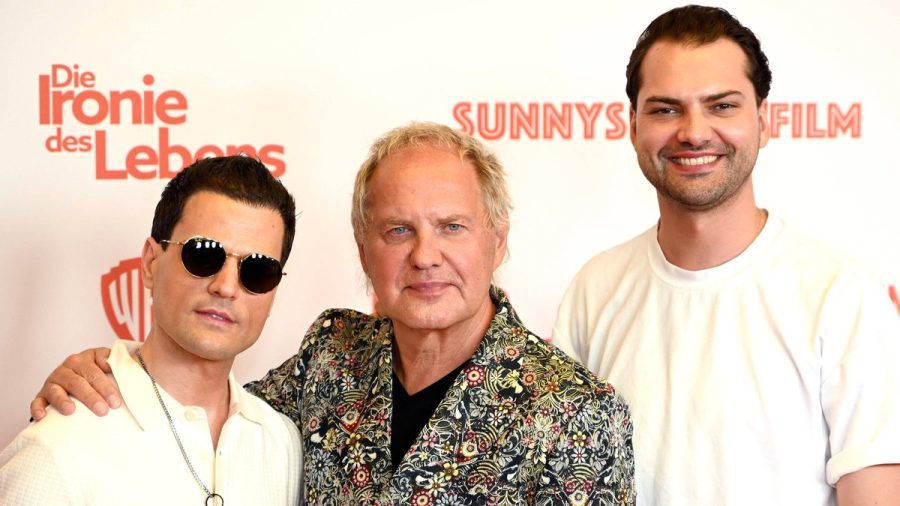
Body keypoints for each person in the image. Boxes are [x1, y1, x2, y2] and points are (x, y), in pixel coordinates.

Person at [29, 123, 636, 504]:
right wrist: (108, 370)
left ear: (497, 242)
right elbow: (203, 402)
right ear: (364, 250)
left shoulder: (576, 413)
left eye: (452, 227)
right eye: (398, 230)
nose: (425, 256)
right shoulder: (332, 356)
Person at [552, 5, 900, 505]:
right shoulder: (594, 289)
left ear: (762, 119)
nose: (693, 132)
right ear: (632, 126)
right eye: (666, 108)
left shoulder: (841, 297)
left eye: (722, 106)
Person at [1, 156, 302, 505]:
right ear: (150, 263)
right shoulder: (61, 446)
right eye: (203, 255)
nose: (226, 287)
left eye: (258, 270)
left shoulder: (284, 445)